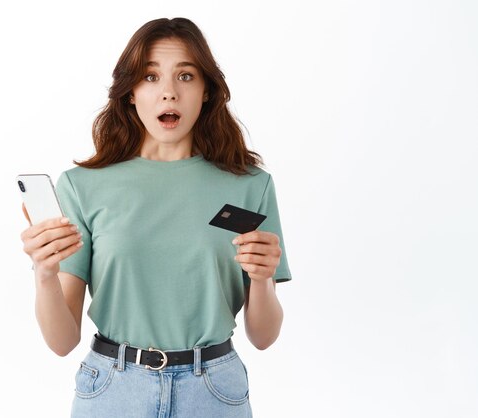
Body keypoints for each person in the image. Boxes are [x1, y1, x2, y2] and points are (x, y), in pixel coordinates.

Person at [20, 17, 292, 418]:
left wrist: (262, 277)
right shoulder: (83, 186)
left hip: (214, 391)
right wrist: (43, 274)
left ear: (205, 91)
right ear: (130, 92)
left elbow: (264, 336)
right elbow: (61, 342)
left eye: (185, 76)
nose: (168, 92)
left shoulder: (249, 185)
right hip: (114, 389)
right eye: (150, 77)